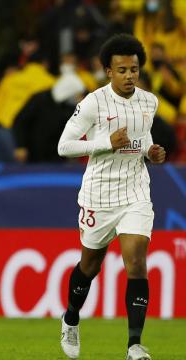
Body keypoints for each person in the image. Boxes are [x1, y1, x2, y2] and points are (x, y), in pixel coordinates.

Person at [57, 34, 166, 360]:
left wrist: (151, 150)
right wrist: (106, 143)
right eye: (122, 70)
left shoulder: (149, 101)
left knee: (136, 261)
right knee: (89, 266)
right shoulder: (93, 103)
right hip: (99, 195)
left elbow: (143, 135)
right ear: (108, 71)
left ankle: (134, 344)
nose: (129, 75)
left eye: (134, 69)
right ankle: (71, 318)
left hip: (135, 191)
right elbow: (65, 147)